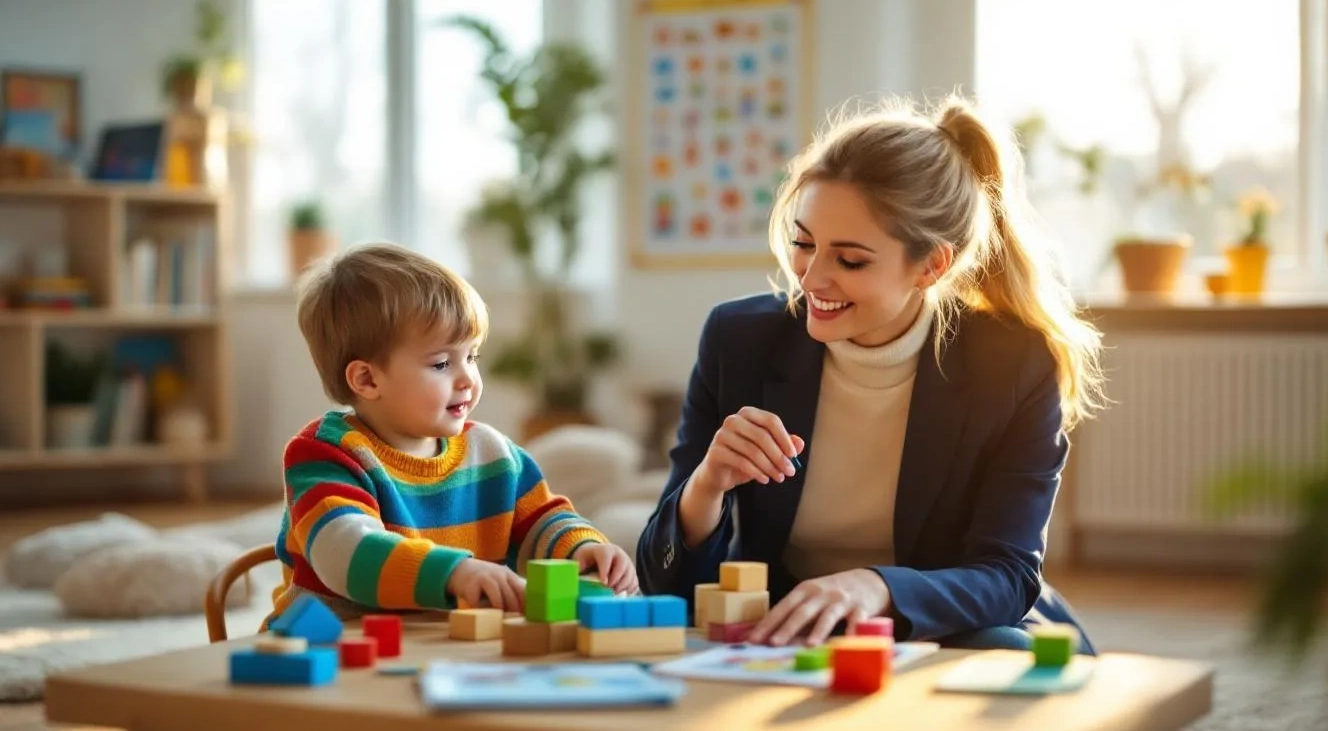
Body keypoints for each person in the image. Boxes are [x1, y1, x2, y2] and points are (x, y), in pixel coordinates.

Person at [636, 94, 1106, 653]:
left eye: (850, 260)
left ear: (933, 264)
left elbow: (1006, 575)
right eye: (803, 244)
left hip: (945, 626)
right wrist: (706, 484)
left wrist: (875, 587)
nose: (811, 279)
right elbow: (662, 579)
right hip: (788, 627)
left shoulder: (1012, 365)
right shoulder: (739, 340)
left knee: (998, 656)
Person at [265, 242, 638, 628]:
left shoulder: (493, 454)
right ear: (367, 378)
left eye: (471, 356)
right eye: (442, 363)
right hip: (328, 652)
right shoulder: (325, 455)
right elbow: (347, 552)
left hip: (443, 652)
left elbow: (543, 521)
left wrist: (584, 547)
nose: (467, 379)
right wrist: (455, 574)